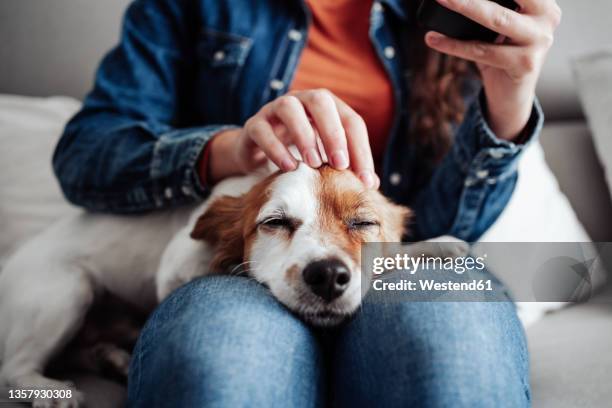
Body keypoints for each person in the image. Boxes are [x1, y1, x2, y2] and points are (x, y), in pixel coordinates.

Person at [53, 0, 560, 406]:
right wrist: (230, 149)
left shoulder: (455, 16)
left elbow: (439, 226)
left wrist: (509, 101)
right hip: (249, 278)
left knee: (445, 315)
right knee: (222, 346)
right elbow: (83, 155)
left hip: (385, 265)